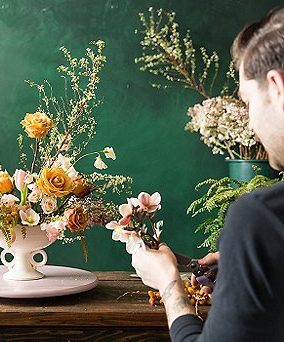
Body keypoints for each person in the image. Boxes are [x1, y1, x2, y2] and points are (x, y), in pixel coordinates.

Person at [131, 5, 284, 341]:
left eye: (247, 102)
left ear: (277, 87)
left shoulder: (262, 219)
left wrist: (169, 283)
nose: (250, 122)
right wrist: (243, 270)